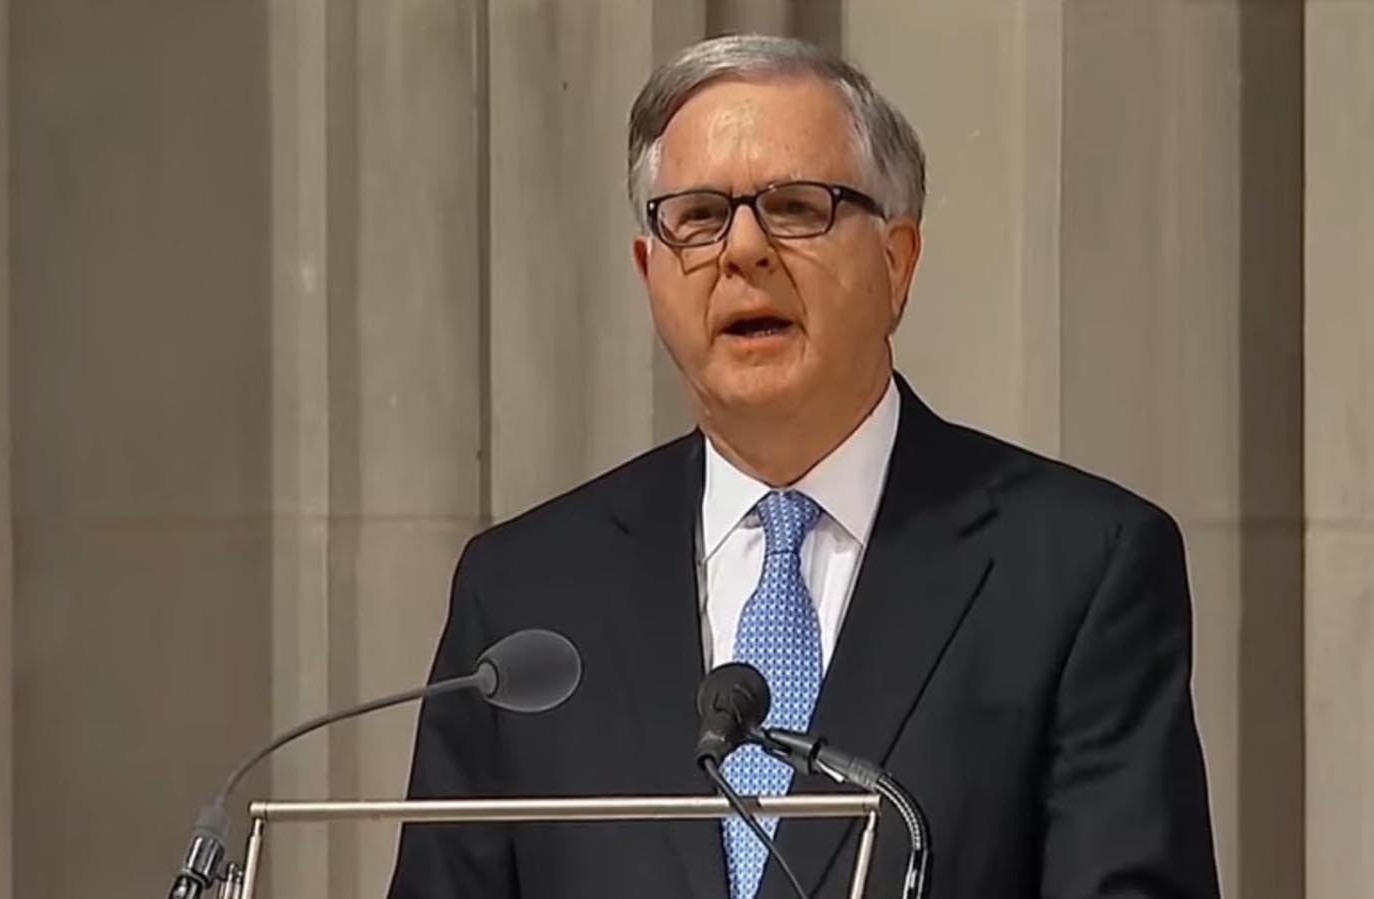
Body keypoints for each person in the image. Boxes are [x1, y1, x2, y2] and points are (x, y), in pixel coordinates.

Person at [388, 33, 1219, 899]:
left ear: (897, 262)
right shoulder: (524, 596)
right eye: (699, 217)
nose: (742, 251)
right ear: (650, 272)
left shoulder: (1080, 569)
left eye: (794, 207)